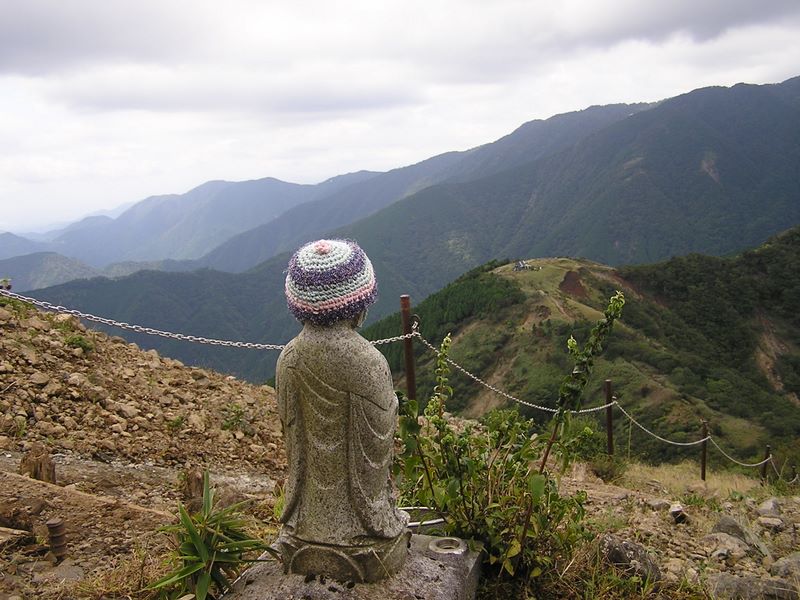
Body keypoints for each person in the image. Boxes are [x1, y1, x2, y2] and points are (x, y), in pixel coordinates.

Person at [275, 239, 409, 582]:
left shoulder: (289, 358)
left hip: (304, 527)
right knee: (376, 546)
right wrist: (391, 406)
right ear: (359, 306)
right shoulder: (367, 361)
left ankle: (311, 534)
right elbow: (379, 437)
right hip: (362, 530)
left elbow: (293, 437)